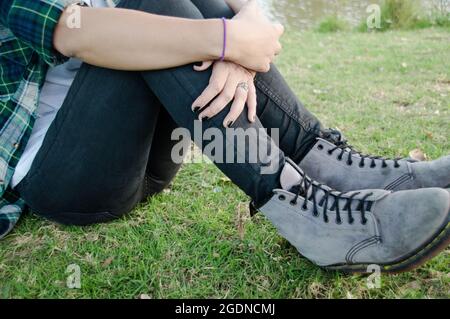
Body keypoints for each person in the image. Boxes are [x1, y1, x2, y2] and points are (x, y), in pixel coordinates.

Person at [0, 0, 449, 273]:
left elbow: (245, 12)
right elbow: (73, 32)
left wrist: (237, 41)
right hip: (65, 177)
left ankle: (328, 162)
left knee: (182, 9)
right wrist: (223, 40)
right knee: (154, 12)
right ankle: (305, 211)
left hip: (142, 161)